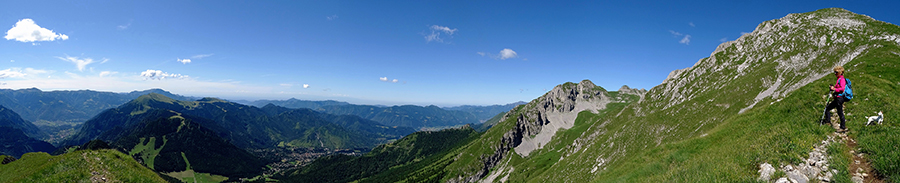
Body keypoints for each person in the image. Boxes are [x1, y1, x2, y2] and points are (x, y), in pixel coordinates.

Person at [823, 66, 847, 133]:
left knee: (839, 112)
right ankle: (829, 122)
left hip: (839, 98)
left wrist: (834, 89)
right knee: (828, 109)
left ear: (840, 72)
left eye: (836, 72)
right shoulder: (839, 79)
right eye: (834, 72)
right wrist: (833, 88)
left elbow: (842, 89)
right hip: (837, 98)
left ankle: (842, 127)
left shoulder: (842, 79)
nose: (835, 73)